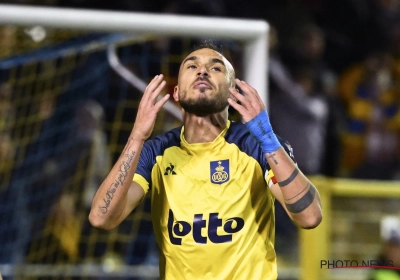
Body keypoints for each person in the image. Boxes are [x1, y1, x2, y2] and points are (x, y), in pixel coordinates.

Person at [89, 40, 323, 279]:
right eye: (191, 67)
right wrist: (137, 137)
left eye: (216, 68)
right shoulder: (156, 152)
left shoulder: (256, 146)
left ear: (232, 90)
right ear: (177, 92)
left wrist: (268, 138)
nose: (202, 71)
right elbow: (101, 217)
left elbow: (309, 217)